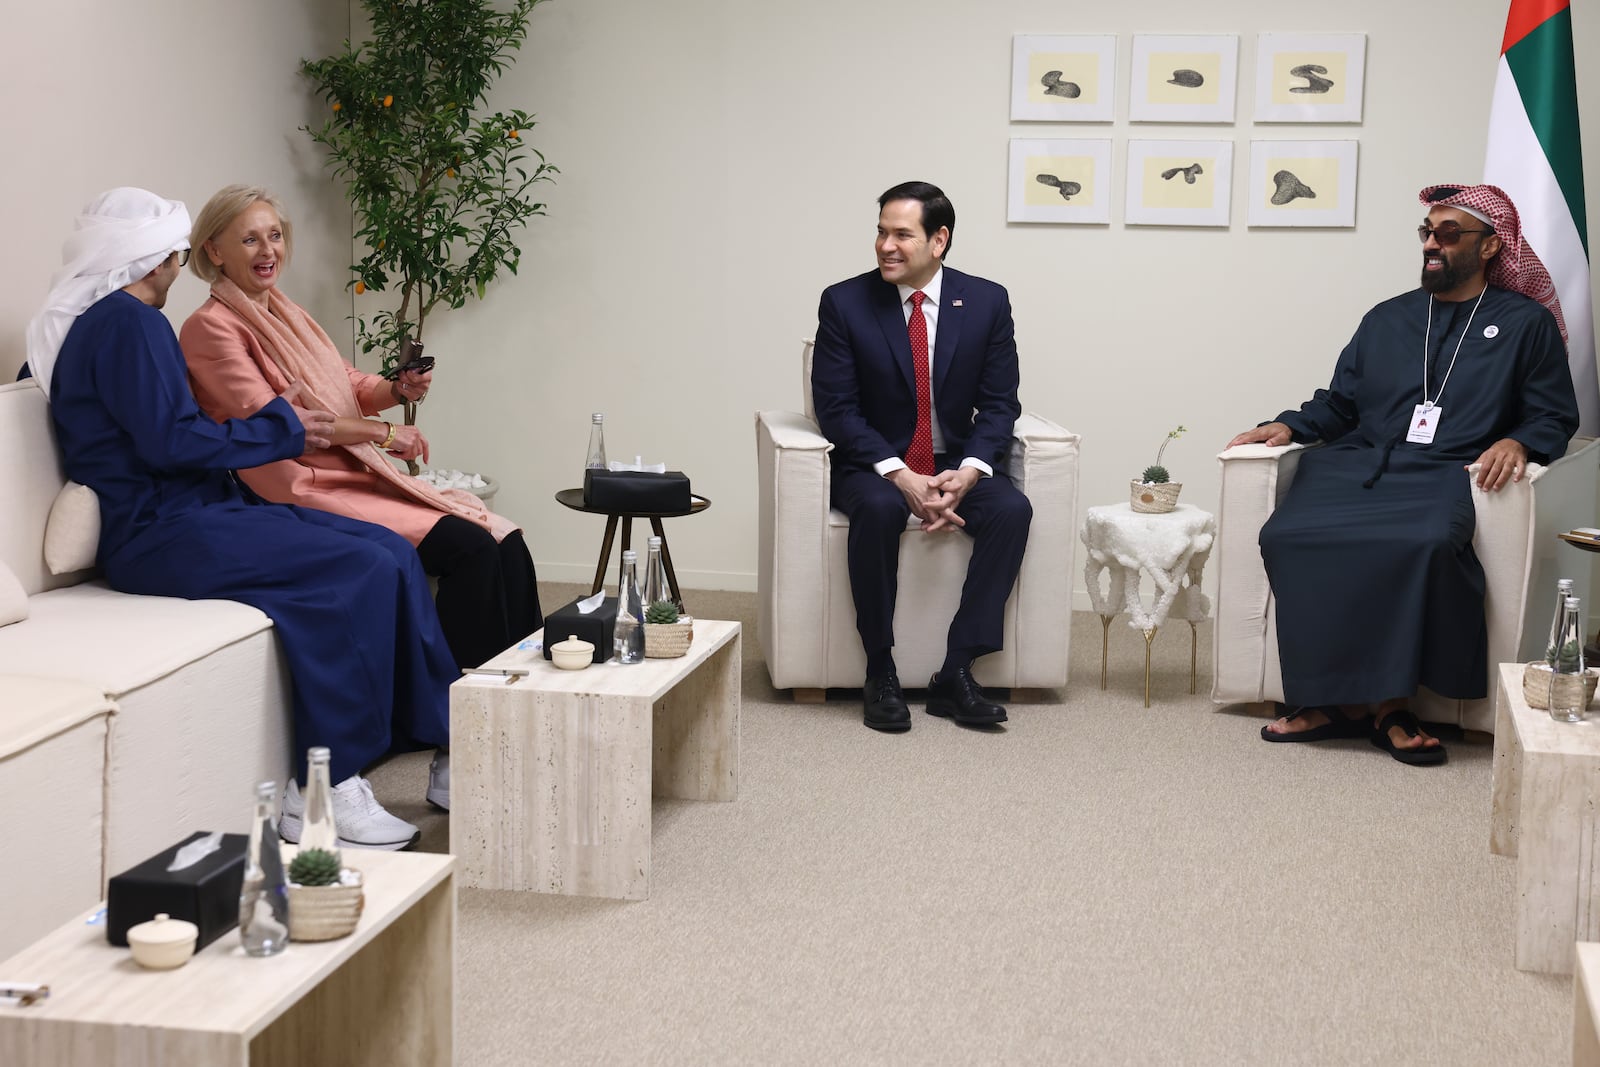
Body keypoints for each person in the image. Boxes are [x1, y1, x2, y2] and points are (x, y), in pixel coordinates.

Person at [27, 187, 456, 849]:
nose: (176, 266)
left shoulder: (116, 322)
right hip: (158, 533)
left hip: (198, 513)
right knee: (361, 563)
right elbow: (172, 443)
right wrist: (282, 432)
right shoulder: (129, 323)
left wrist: (278, 430)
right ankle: (323, 787)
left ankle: (447, 736)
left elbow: (171, 431)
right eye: (173, 253)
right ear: (160, 257)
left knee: (387, 550)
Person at [1228, 183, 1580, 765]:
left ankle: (1391, 705)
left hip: (1444, 470)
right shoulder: (1387, 318)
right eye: (1426, 234)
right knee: (1287, 535)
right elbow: (1340, 404)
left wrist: (1519, 440)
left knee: (1420, 543)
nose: (1432, 245)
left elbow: (1553, 413)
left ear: (1492, 246)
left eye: (1448, 234)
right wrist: (1287, 426)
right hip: (1356, 464)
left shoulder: (1524, 323)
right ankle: (1326, 701)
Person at [178, 185, 542, 675]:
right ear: (214, 251)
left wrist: (397, 388)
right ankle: (465, 706)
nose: (269, 252)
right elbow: (283, 424)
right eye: (250, 241)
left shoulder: (285, 311)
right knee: (470, 549)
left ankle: (529, 690)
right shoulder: (210, 328)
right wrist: (386, 435)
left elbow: (343, 383)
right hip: (300, 485)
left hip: (349, 471)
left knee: (507, 542)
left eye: (275, 236)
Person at [811, 181, 1032, 732]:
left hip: (953, 459)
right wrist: (900, 473)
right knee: (883, 509)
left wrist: (970, 471)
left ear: (939, 240)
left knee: (1011, 510)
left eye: (901, 234)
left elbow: (1000, 404)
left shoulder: (986, 301)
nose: (886, 245)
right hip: (875, 465)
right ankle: (880, 669)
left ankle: (956, 672)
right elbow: (837, 409)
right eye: (881, 232)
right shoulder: (844, 302)